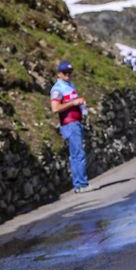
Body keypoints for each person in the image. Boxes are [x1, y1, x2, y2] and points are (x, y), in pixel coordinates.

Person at [49, 60, 93, 194]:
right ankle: (81, 184)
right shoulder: (57, 88)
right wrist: (73, 103)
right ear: (59, 73)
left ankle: (79, 184)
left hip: (76, 121)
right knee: (78, 154)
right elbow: (55, 108)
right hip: (69, 123)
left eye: (70, 72)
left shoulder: (70, 85)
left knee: (77, 154)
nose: (68, 75)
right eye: (65, 73)